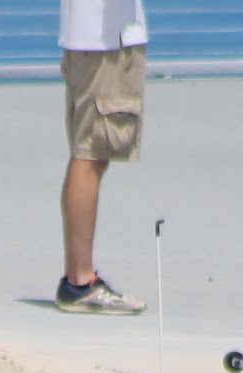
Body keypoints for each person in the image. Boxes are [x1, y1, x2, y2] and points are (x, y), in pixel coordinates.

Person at [56, 0, 148, 315]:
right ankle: (80, 280)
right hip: (104, 40)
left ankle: (78, 277)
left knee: (90, 154)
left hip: (93, 38)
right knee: (91, 155)